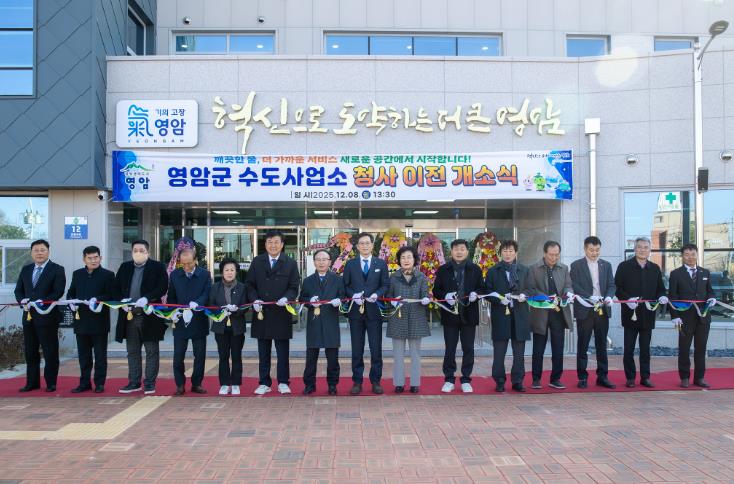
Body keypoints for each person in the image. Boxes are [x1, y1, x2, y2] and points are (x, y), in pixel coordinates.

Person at [246, 229, 300, 395]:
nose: (273, 245)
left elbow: (294, 287)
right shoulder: (257, 262)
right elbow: (250, 285)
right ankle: (264, 382)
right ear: (265, 244)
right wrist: (254, 299)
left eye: (276, 242)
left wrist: (287, 298)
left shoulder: (290, 263)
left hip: (281, 313)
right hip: (262, 313)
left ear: (282, 244)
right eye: (270, 242)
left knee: (283, 352)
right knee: (263, 351)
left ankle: (283, 382)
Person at [114, 240, 169, 394]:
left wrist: (147, 298)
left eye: (141, 250)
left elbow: (162, 287)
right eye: (135, 250)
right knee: (132, 351)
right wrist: (121, 301)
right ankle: (134, 382)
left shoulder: (157, 267)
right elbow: (115, 287)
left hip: (149, 316)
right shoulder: (125, 267)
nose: (138, 253)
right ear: (131, 252)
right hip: (129, 315)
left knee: (151, 351)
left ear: (148, 252)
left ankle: (150, 383)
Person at [615, 237, 667, 388]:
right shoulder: (624, 266)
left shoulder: (655, 268)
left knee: (645, 349)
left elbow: (661, 289)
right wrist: (627, 299)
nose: (642, 250)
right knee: (629, 349)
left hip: (648, 314)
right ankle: (630, 378)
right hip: (630, 314)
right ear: (634, 249)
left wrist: (662, 296)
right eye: (639, 247)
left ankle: (645, 377)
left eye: (645, 247)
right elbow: (617, 288)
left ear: (650, 250)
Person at [14, 239, 66, 393]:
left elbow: (58, 291)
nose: (39, 253)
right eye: (36, 250)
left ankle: (51, 383)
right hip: (29, 316)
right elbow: (18, 290)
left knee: (50, 351)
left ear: (48, 252)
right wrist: (21, 300)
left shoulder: (57, 269)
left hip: (47, 316)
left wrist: (42, 301)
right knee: (30, 351)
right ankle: (32, 382)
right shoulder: (26, 269)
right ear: (31, 253)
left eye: (42, 250)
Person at [433, 239, 484, 393]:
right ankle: (449, 379)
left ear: (467, 251)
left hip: (469, 314)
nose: (459, 252)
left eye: (462, 249)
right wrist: (445, 295)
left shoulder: (475, 269)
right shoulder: (443, 270)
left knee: (468, 348)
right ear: (451, 252)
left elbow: (482, 288)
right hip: (450, 315)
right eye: (456, 249)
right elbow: (436, 290)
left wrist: (477, 294)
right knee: (450, 348)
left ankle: (466, 379)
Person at [342, 233, 390, 395]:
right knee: (357, 349)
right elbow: (345, 285)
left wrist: (377, 294)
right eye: (361, 243)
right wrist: (353, 295)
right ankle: (357, 381)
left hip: (374, 311)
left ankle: (376, 381)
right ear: (357, 246)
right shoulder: (350, 264)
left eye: (367, 243)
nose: (364, 246)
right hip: (356, 313)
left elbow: (385, 285)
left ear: (372, 245)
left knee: (376, 349)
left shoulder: (381, 264)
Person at [66, 246, 116, 393]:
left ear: (100, 258)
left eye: (96, 257)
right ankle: (84, 383)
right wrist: (71, 303)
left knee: (100, 355)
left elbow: (112, 295)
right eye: (90, 258)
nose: (93, 260)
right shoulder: (77, 274)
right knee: (84, 356)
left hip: (99, 321)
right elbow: (71, 292)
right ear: (84, 259)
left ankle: (99, 383)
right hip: (81, 320)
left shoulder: (108, 275)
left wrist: (97, 299)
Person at [570, 236, 617, 389]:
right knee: (583, 344)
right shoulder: (576, 265)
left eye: (597, 250)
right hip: (585, 309)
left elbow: (611, 285)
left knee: (601, 344)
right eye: (591, 250)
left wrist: (609, 297)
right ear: (585, 249)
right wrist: (589, 297)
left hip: (602, 309)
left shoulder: (606, 265)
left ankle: (602, 377)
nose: (594, 253)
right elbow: (574, 285)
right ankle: (582, 377)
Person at [527, 241, 574, 390]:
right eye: (551, 255)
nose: (554, 258)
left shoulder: (564, 268)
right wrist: (546, 298)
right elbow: (531, 289)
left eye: (556, 255)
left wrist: (568, 293)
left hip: (558, 312)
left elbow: (568, 285)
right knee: (538, 348)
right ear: (544, 253)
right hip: (540, 312)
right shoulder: (534, 268)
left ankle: (555, 379)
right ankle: (536, 379)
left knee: (558, 347)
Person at [167, 240, 212, 395]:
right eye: (183, 263)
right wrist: (172, 312)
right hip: (180, 321)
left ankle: (197, 383)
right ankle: (180, 384)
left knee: (199, 355)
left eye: (189, 263)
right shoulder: (175, 275)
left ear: (195, 260)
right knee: (178, 355)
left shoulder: (205, 274)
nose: (186, 267)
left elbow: (207, 293)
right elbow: (171, 297)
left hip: (198, 320)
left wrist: (198, 303)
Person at [485, 240, 530, 393]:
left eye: (511, 251)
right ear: (500, 253)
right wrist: (498, 299)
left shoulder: (524, 270)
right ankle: (499, 381)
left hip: (520, 315)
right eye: (505, 251)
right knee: (499, 352)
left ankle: (517, 381)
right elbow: (487, 292)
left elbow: (531, 288)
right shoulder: (493, 271)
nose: (508, 254)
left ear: (516, 253)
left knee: (519, 353)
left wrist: (525, 294)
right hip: (500, 315)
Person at [668, 244, 716, 388]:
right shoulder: (676, 274)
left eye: (693, 254)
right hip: (684, 318)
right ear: (682, 256)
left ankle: (699, 378)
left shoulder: (705, 272)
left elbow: (710, 291)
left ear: (697, 254)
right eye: (687, 254)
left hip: (703, 317)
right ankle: (684, 377)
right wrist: (674, 316)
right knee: (684, 349)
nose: (690, 257)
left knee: (701, 349)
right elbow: (672, 296)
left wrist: (712, 298)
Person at [385, 246, 431, 394]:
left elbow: (425, 293)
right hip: (398, 318)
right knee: (398, 354)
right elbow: (388, 296)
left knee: (415, 354)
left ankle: (415, 383)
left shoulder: (421, 276)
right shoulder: (393, 277)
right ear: (399, 260)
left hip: (416, 318)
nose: (406, 260)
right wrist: (392, 302)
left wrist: (426, 299)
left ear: (414, 259)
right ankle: (398, 383)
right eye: (403, 257)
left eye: (409, 257)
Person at [301, 249, 345, 395]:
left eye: (324, 259)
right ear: (314, 262)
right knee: (311, 357)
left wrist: (339, 301)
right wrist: (309, 301)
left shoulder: (338, 280)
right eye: (318, 259)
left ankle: (332, 385)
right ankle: (309, 384)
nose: (321, 262)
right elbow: (302, 299)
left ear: (330, 262)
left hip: (331, 322)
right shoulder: (308, 281)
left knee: (332, 358)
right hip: (314, 323)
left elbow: (344, 298)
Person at [209, 257, 248, 395]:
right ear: (222, 272)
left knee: (236, 355)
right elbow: (211, 305)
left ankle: (236, 383)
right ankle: (224, 383)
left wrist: (236, 309)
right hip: (220, 327)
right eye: (226, 270)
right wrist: (221, 310)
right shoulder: (215, 287)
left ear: (236, 272)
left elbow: (245, 306)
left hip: (237, 326)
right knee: (223, 356)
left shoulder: (242, 287)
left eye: (232, 270)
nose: (229, 272)